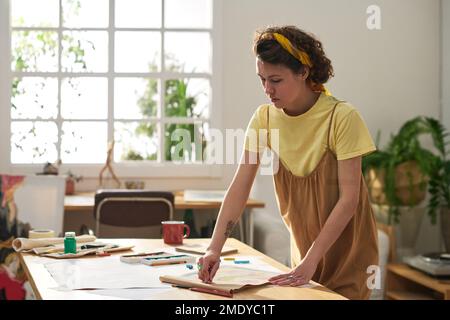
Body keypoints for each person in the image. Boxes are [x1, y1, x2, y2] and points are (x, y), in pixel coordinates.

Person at [197, 25, 379, 300]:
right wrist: (214, 248)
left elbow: (349, 200)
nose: (267, 90)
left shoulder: (342, 117)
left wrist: (312, 260)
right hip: (303, 258)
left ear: (303, 72)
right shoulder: (265, 119)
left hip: (349, 256)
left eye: (276, 80)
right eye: (262, 80)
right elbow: (240, 187)